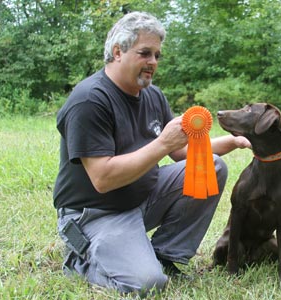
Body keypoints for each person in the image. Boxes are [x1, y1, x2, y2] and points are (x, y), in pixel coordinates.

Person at [53, 11, 251, 297]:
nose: (153, 63)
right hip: (95, 213)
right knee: (147, 284)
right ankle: (80, 258)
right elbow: (102, 178)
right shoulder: (89, 100)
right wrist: (161, 144)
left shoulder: (152, 95)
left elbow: (182, 152)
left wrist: (233, 141)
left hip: (140, 198)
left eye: (157, 55)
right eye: (145, 53)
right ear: (118, 52)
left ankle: (164, 254)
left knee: (212, 166)